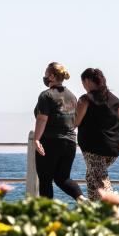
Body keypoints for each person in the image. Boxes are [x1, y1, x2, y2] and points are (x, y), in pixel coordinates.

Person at [33, 62, 85, 202]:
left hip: (50, 141)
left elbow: (42, 119)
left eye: (46, 74)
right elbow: (73, 120)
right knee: (62, 178)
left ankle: (47, 211)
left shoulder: (46, 95)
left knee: (45, 180)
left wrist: (36, 139)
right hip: (70, 142)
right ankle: (81, 198)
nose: (44, 77)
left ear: (51, 76)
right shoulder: (72, 96)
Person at [74, 67, 119, 199]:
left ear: (87, 81)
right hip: (113, 148)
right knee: (91, 176)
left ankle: (113, 205)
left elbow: (76, 122)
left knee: (101, 179)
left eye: (83, 83)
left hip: (93, 148)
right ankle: (94, 206)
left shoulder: (85, 99)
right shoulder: (115, 100)